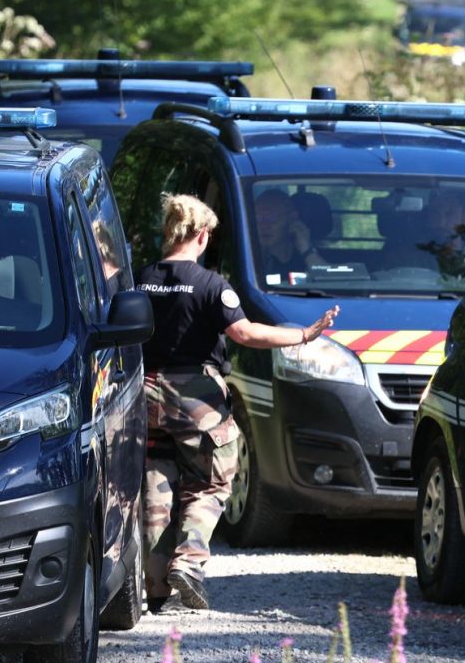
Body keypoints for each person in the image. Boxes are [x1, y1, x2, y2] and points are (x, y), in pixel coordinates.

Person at [137, 194, 339, 611]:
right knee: (211, 480)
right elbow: (245, 334)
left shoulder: (142, 279)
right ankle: (189, 563)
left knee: (156, 482)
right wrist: (304, 334)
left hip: (144, 392)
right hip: (195, 396)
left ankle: (154, 586)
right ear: (202, 235)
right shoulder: (211, 284)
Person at [254, 188, 327, 279]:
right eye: (257, 219)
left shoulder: (312, 256)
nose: (263, 226)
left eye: (271, 218)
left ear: (292, 218)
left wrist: (306, 250)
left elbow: (328, 282)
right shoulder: (248, 258)